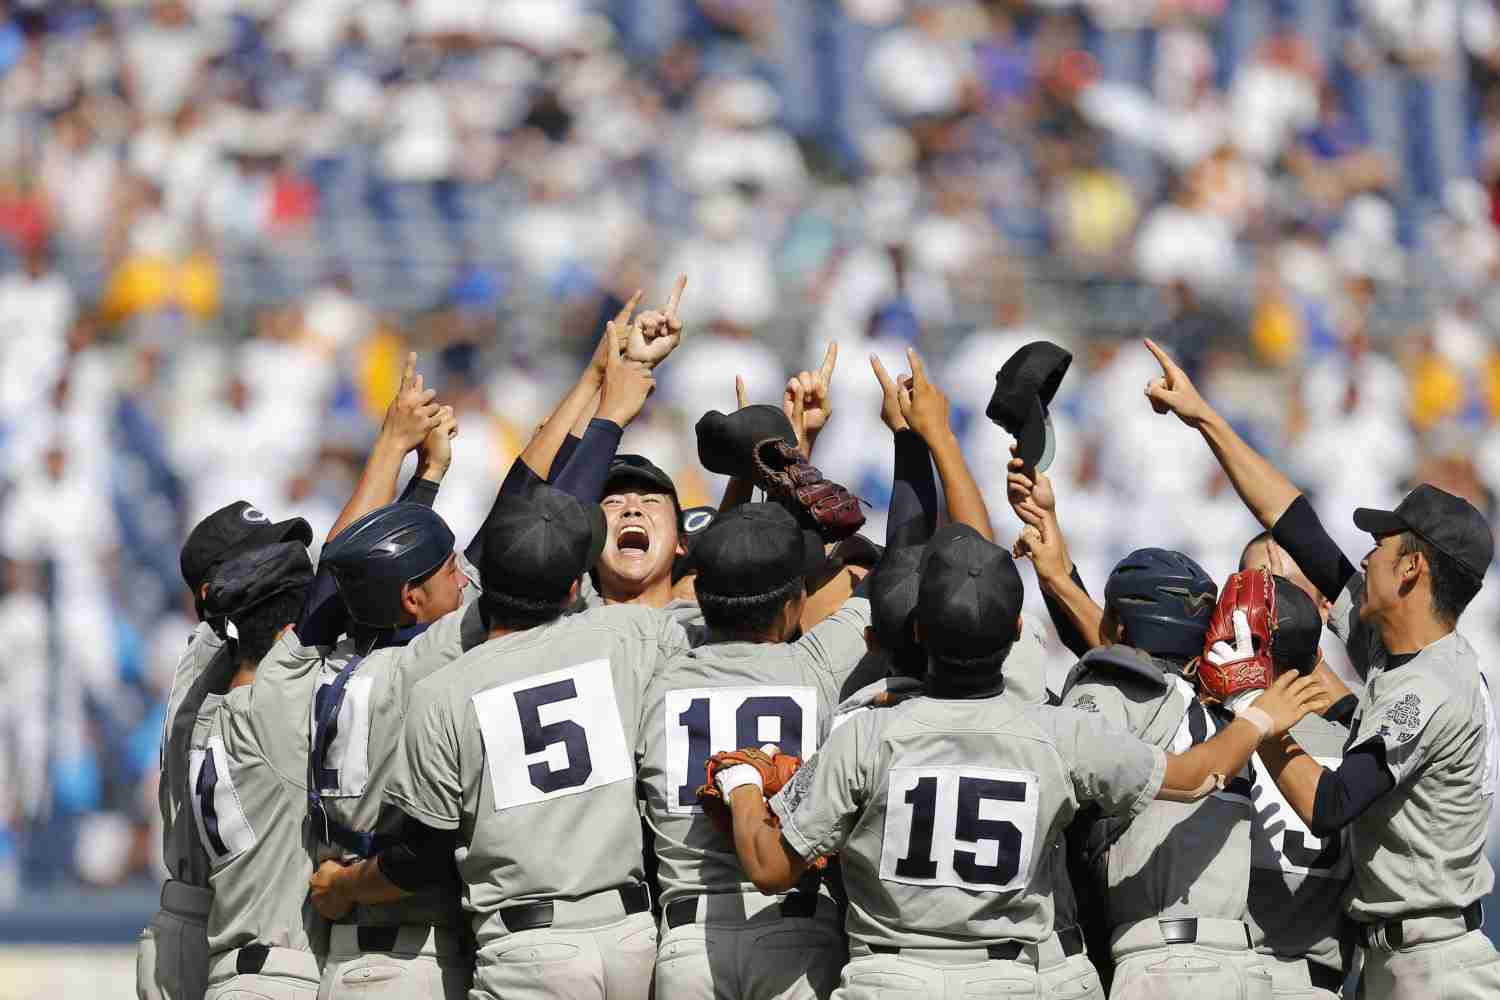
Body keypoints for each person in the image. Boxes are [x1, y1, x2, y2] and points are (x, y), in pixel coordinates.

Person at [713, 526, 1326, 1000]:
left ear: (921, 630)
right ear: (1014, 634)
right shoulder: (1060, 733)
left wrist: (743, 783)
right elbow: (1197, 776)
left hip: (888, 980)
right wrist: (1258, 716)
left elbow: (769, 867)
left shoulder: (865, 733)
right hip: (1011, 979)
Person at [1141, 337, 1500, 999]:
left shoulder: (1431, 685)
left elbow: (1330, 804)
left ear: (1414, 570)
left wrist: (1259, 718)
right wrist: (1206, 421)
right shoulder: (1402, 642)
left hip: (1437, 964)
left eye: (1381, 547)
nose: (1363, 559)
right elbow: (1296, 525)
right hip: (1398, 957)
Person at [308, 486, 693, 1000]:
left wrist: (344, 885)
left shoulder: (443, 691)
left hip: (527, 952)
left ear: (481, 586)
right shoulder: (632, 635)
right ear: (575, 586)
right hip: (633, 939)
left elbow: (418, 861)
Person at [635, 501, 872, 1000]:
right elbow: (903, 571)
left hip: (690, 940)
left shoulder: (657, 669)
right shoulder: (821, 664)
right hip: (796, 932)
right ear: (793, 606)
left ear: (700, 595)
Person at [138, 499, 312, 1000]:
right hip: (209, 929)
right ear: (222, 592)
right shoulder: (223, 659)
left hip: (207, 919)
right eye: (269, 561)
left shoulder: (221, 649)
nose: (290, 568)